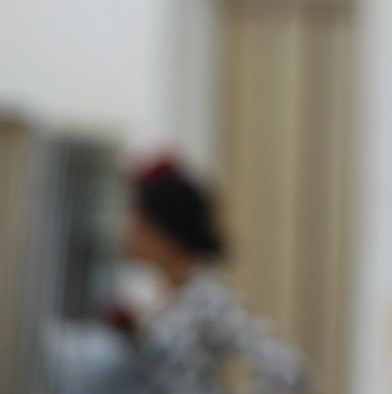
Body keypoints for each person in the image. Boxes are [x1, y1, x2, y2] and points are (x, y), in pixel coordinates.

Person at [115, 156, 309, 394]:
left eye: (139, 224)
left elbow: (288, 369)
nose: (126, 233)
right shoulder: (169, 295)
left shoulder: (207, 297)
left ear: (164, 232)